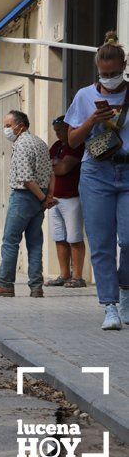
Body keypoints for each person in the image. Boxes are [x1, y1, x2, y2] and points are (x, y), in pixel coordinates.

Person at [66, 31, 129, 330]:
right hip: (96, 174)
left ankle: (126, 291)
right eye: (105, 74)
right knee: (102, 244)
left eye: (115, 73)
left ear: (124, 65)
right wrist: (92, 120)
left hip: (128, 170)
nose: (110, 78)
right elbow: (72, 141)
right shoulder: (84, 96)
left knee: (128, 240)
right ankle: (110, 306)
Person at [0, 110, 55, 298]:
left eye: (8, 126)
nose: (6, 130)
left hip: (24, 197)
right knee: (35, 242)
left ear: (21, 126)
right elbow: (51, 173)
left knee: (10, 241)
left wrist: (41, 198)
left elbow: (26, 179)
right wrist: (47, 197)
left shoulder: (22, 144)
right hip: (40, 197)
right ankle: (36, 287)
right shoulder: (40, 142)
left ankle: (5, 284)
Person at [44, 116, 86, 288]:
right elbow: (50, 171)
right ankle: (64, 274)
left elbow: (62, 169)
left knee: (74, 238)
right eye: (56, 131)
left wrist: (54, 164)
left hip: (72, 198)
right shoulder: (56, 147)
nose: (59, 134)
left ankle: (78, 276)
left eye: (61, 130)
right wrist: (49, 196)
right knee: (59, 238)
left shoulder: (76, 145)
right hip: (56, 199)